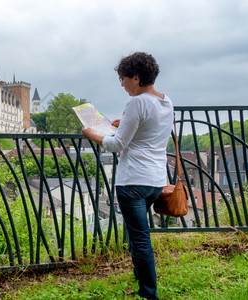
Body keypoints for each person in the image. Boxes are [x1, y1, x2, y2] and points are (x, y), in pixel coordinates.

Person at [82, 52, 173, 299]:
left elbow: (116, 145)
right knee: (138, 236)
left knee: (140, 240)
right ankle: (142, 281)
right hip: (155, 181)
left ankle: (148, 293)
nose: (121, 84)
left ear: (135, 77)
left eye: (122, 79)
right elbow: (153, 129)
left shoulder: (137, 102)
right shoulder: (166, 101)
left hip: (133, 180)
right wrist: (126, 121)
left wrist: (93, 135)